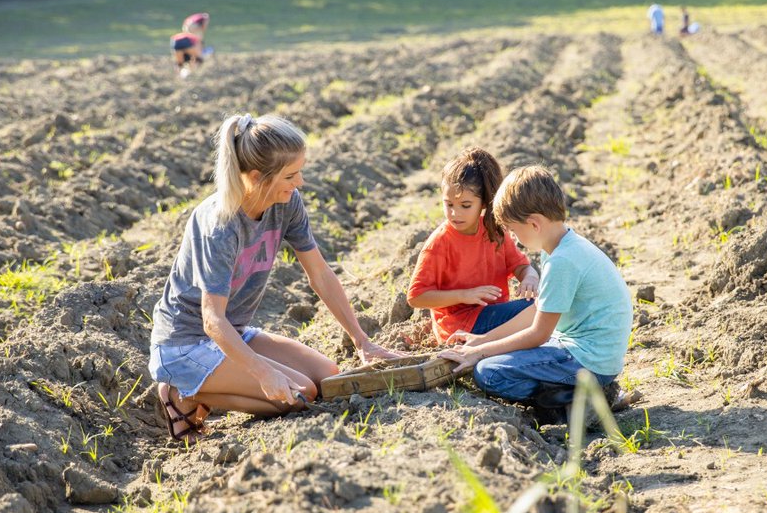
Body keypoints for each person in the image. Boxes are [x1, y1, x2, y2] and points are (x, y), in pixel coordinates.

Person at [149, 112, 400, 442]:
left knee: (329, 377)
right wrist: (262, 371)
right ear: (256, 177)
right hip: (186, 343)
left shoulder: (287, 203)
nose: (300, 183)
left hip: (233, 333)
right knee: (301, 395)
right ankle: (185, 394)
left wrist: (362, 341)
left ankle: (212, 384)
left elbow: (320, 274)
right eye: (291, 175)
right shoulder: (221, 228)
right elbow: (212, 321)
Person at [440, 165, 633, 424]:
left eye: (513, 229)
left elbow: (538, 333)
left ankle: (579, 400)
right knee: (492, 356)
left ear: (533, 224)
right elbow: (536, 311)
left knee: (489, 372)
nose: (513, 237)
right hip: (585, 352)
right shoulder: (560, 245)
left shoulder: (563, 261)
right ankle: (578, 396)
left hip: (588, 360)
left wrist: (479, 353)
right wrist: (483, 339)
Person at [407, 148, 539, 342]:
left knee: (544, 306)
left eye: (465, 206)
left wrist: (530, 277)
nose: (455, 213)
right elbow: (416, 297)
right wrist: (464, 295)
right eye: (449, 204)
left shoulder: (495, 231)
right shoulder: (439, 243)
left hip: (491, 313)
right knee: (540, 310)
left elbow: (520, 266)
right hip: (459, 324)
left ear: (484, 203)